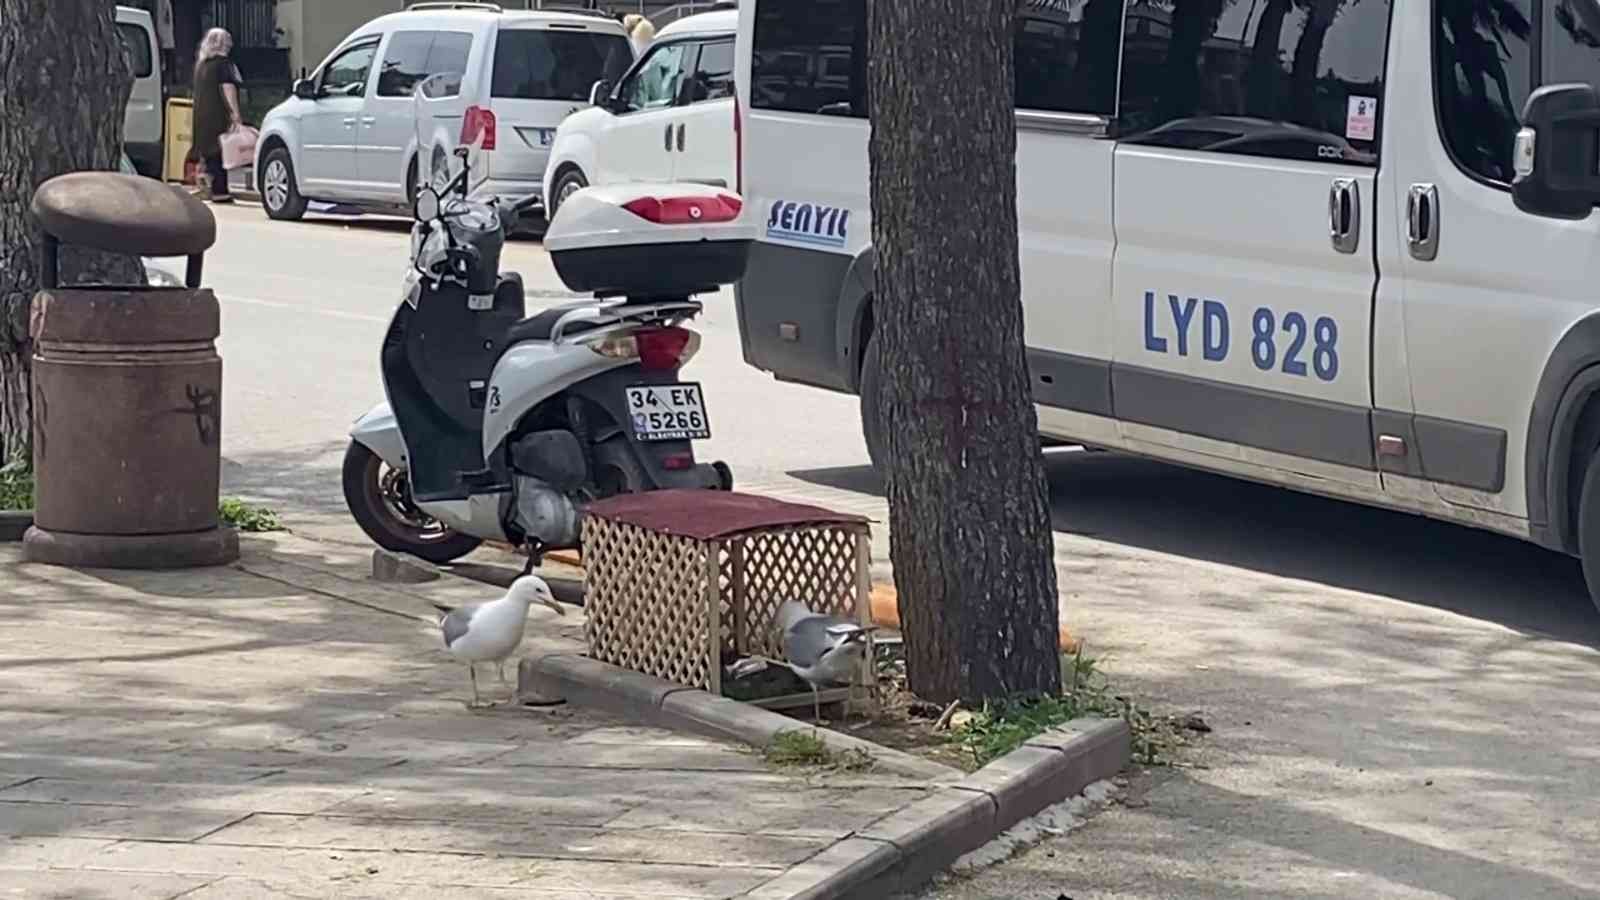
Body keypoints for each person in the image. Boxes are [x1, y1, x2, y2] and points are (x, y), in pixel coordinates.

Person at [190, 27, 243, 204]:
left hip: (201, 115)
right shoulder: (224, 64)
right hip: (218, 114)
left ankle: (208, 186)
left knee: (208, 152)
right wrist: (235, 114)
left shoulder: (201, 65)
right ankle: (220, 190)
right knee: (221, 151)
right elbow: (228, 89)